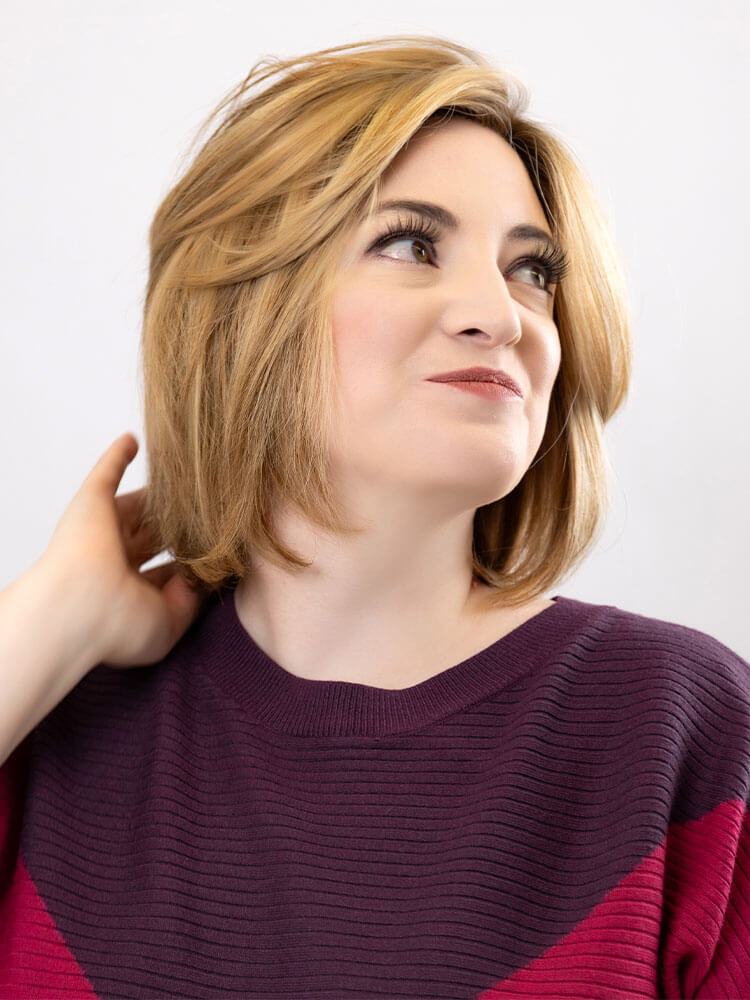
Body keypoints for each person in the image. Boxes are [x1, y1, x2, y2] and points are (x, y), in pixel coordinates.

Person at [1, 34, 748, 1000]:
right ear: (244, 311)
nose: (501, 314)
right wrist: (46, 621)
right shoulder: (47, 720)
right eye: (411, 244)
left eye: (532, 270)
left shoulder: (680, 731)